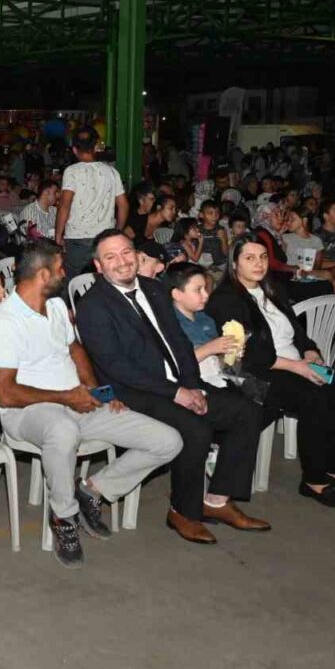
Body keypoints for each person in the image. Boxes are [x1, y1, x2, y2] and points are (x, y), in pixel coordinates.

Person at [0, 239, 181, 567]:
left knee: (167, 441)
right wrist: (66, 397)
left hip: (76, 401)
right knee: (61, 430)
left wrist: (96, 389)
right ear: (43, 274)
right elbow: (5, 393)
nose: (66, 273)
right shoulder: (5, 322)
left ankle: (92, 491)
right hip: (28, 412)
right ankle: (65, 518)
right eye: (61, 269)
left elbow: (74, 349)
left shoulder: (57, 306)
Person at [75, 231, 269, 545]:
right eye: (111, 257)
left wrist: (193, 386)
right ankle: (183, 511)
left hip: (178, 381)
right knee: (195, 429)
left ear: (136, 255)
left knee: (246, 410)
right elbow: (116, 367)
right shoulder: (93, 306)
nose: (122, 262)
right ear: (99, 266)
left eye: (127, 252)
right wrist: (176, 392)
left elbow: (179, 343)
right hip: (132, 391)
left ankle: (216, 500)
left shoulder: (154, 289)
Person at [206, 236, 335, 507]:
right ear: (234, 264)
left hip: (297, 363)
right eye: (249, 258)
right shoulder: (226, 299)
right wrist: (297, 367)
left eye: (262, 257)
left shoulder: (272, 289)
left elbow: (296, 328)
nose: (258, 263)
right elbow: (249, 354)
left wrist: (310, 350)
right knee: (313, 397)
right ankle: (313, 481)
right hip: (256, 374)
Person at [55, 126, 128, 277]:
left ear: (74, 150)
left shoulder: (72, 172)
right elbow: (123, 205)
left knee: (76, 284)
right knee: (104, 281)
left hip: (77, 239)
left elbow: (64, 205)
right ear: (95, 147)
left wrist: (58, 235)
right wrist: (117, 230)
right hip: (105, 238)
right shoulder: (112, 172)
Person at [252, 200, 335, 301]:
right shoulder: (262, 234)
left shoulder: (271, 235)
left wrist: (278, 235)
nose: (281, 219)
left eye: (281, 214)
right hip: (276, 282)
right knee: (325, 286)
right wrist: (293, 268)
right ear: (266, 216)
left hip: (283, 280)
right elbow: (271, 263)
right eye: (277, 215)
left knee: (327, 283)